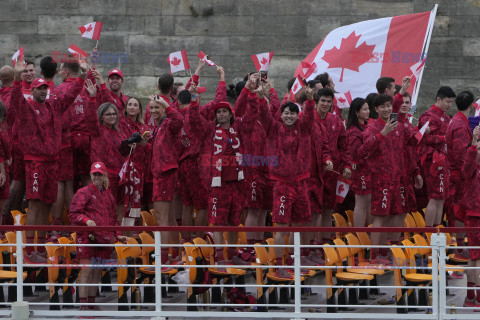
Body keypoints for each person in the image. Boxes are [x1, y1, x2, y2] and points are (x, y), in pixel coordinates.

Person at [11, 57, 86, 263]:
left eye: (45, 88)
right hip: (35, 162)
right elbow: (15, 100)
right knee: (34, 205)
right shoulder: (26, 109)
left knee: (47, 204)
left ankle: (41, 248)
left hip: (53, 162)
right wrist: (17, 78)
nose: (43, 91)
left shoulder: (54, 107)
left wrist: (82, 76)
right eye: (39, 89)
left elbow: (70, 95)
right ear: (32, 90)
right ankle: (28, 250)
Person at [190, 75, 259, 263]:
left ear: (230, 114)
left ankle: (232, 255)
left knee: (234, 223)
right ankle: (220, 258)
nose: (221, 114)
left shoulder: (240, 129)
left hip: (237, 184)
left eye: (224, 112)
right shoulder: (209, 130)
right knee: (219, 223)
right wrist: (194, 99)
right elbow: (194, 120)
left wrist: (252, 93)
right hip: (217, 185)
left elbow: (253, 115)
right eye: (218, 112)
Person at [258, 85, 315, 277]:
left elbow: (310, 116)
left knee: (298, 226)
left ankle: (293, 261)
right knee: (281, 227)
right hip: (281, 184)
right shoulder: (273, 129)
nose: (289, 116)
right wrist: (260, 98)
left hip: (301, 183)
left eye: (293, 113)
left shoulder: (304, 129)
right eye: (286, 113)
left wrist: (310, 100)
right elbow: (265, 116)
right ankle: (277, 264)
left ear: (298, 115)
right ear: (280, 115)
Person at [361, 94, 423, 265]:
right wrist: (382, 133)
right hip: (380, 179)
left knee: (394, 214)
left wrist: (416, 171)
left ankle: (387, 250)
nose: (387, 109)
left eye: (389, 106)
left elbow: (413, 144)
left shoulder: (400, 126)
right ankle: (375, 255)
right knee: (380, 217)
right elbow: (363, 150)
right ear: (376, 109)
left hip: (398, 177)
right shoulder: (372, 128)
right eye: (383, 107)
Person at [68, 161, 127, 313]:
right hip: (87, 237)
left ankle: (91, 305)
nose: (97, 177)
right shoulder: (83, 192)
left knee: (96, 271)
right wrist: (86, 220)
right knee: (87, 270)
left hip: (104, 238)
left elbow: (113, 218)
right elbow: (73, 214)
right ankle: (83, 307)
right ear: (90, 175)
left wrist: (118, 235)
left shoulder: (108, 194)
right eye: (95, 174)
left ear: (105, 175)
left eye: (99, 174)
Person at [84, 76, 128, 224]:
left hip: (120, 176)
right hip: (104, 176)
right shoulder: (97, 131)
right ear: (101, 117)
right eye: (108, 114)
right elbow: (90, 118)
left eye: (114, 114)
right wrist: (91, 98)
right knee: (105, 207)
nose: (112, 116)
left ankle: (117, 232)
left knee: (119, 206)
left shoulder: (119, 132)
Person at [315, 88, 351, 247]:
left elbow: (344, 146)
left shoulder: (336, 121)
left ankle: (324, 244)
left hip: (332, 173)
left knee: (328, 209)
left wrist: (347, 165)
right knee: (314, 211)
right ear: (316, 102)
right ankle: (313, 245)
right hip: (313, 173)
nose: (325, 104)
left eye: (328, 101)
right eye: (322, 101)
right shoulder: (308, 120)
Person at [150, 94, 183, 266]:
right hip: (160, 172)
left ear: (163, 108)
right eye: (152, 108)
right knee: (168, 218)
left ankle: (163, 259)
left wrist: (166, 104)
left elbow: (179, 121)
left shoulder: (168, 123)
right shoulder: (157, 126)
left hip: (165, 173)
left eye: (157, 107)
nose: (154, 110)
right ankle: (175, 254)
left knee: (162, 218)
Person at [418, 86, 455, 227]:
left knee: (442, 198)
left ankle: (437, 231)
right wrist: (444, 137)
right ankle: (429, 232)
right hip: (433, 161)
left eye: (451, 102)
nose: (449, 105)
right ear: (438, 99)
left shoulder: (446, 118)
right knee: (434, 197)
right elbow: (422, 138)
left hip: (444, 161)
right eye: (447, 101)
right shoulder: (427, 116)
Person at [346, 98, 371, 228]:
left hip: (369, 169)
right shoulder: (353, 131)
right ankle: (359, 234)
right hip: (360, 170)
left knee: (369, 201)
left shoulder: (366, 126)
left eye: (368, 108)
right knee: (361, 202)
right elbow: (355, 153)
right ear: (356, 112)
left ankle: (369, 231)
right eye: (365, 109)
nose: (368, 111)